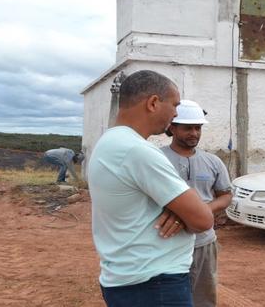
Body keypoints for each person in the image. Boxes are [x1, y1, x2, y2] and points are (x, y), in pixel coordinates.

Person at [87, 70, 214, 307]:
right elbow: (203, 219)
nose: (176, 113)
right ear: (153, 103)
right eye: (174, 105)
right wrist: (185, 209)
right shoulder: (137, 151)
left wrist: (179, 211)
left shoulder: (109, 142)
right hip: (154, 284)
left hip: (131, 279)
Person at [160, 100, 233, 307]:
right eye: (187, 128)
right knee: (167, 296)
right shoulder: (157, 158)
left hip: (203, 242)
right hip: (165, 242)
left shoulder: (213, 161)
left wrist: (200, 211)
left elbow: (226, 196)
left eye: (198, 128)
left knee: (203, 297)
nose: (194, 133)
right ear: (172, 128)